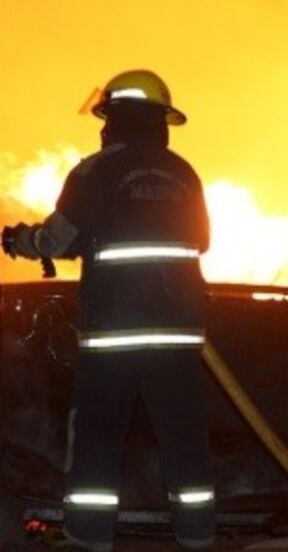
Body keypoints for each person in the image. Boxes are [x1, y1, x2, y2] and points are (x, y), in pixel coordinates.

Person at [6, 70, 215, 550]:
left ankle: (89, 535)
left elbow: (59, 240)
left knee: (98, 433)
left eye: (106, 118)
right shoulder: (184, 173)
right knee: (184, 434)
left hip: (114, 336)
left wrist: (22, 241)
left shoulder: (94, 172)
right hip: (179, 332)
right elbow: (202, 242)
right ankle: (199, 534)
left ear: (117, 118)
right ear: (159, 122)